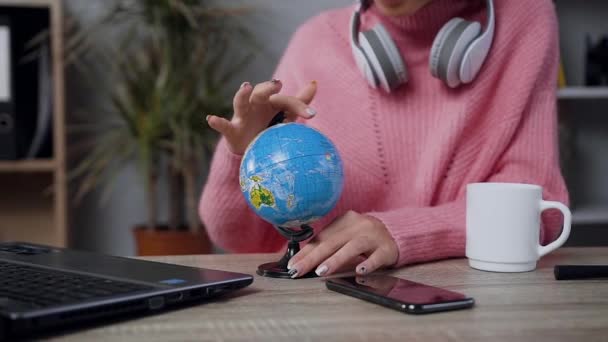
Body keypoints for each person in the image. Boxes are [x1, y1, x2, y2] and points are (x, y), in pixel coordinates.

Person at [200, 0, 568, 278]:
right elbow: (234, 236)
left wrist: (402, 232)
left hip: (467, 296)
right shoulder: (314, 40)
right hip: (326, 306)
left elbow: (536, 213)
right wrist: (244, 156)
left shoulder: (526, 18)